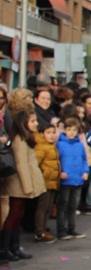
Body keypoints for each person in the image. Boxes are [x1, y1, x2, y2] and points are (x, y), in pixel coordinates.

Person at [0, 111, 46, 260]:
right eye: (33, 121)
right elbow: (21, 165)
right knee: (14, 214)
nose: (36, 124)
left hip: (25, 181)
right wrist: (28, 187)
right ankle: (5, 248)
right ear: (23, 123)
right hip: (19, 182)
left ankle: (15, 246)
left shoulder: (26, 138)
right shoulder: (19, 139)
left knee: (19, 214)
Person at [54, 117, 88, 241]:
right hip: (66, 179)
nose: (72, 132)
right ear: (64, 130)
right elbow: (56, 160)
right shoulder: (60, 144)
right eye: (69, 129)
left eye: (74, 130)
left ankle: (72, 228)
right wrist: (60, 172)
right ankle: (61, 230)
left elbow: (84, 159)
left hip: (77, 178)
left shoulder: (79, 145)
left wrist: (85, 171)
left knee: (73, 205)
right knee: (63, 205)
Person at [33, 122, 59, 243]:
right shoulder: (41, 147)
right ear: (42, 134)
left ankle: (43, 228)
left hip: (52, 181)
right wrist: (45, 174)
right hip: (44, 181)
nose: (51, 135)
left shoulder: (51, 145)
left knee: (48, 207)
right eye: (48, 133)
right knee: (42, 207)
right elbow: (36, 164)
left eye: (53, 132)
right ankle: (39, 232)